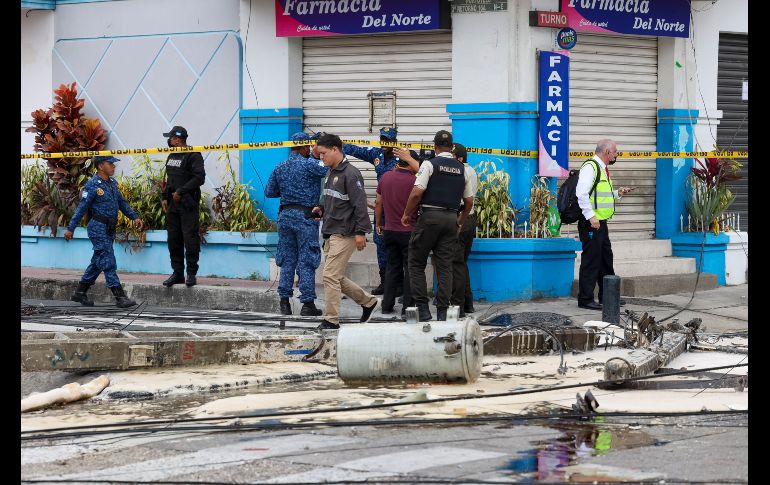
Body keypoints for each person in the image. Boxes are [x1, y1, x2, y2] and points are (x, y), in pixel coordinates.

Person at [402, 130, 474, 322]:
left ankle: (423, 310)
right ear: (451, 148)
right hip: (451, 219)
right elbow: (469, 201)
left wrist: (407, 214)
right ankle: (442, 312)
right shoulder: (462, 169)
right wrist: (460, 221)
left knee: (416, 263)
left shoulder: (429, 164)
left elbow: (417, 193)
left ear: (434, 147)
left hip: (430, 217)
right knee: (445, 266)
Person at [312, 133, 379, 330]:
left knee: (330, 276)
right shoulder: (331, 172)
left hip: (345, 232)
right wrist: (321, 209)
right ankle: (368, 302)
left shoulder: (351, 174)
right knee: (336, 276)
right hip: (331, 231)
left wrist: (361, 232)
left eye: (323, 153)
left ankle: (331, 320)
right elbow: (335, 200)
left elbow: (359, 205)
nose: (321, 158)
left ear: (335, 149)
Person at [342, 127, 419, 295]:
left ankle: (402, 285)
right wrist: (334, 142)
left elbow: (419, 171)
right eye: (382, 140)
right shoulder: (377, 154)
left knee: (401, 248)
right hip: (382, 209)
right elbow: (356, 149)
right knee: (381, 244)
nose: (384, 143)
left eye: (388, 140)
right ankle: (385, 282)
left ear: (395, 141)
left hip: (400, 209)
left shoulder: (404, 156)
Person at [64, 156, 143, 308]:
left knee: (98, 262)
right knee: (108, 261)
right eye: (110, 164)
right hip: (98, 227)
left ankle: (80, 293)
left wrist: (134, 217)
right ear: (101, 166)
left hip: (109, 228)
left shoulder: (112, 183)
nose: (113, 167)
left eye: (113, 164)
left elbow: (122, 203)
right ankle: (119, 297)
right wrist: (70, 228)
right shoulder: (92, 185)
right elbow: (82, 208)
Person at [265, 132, 328, 316]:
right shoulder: (310, 165)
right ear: (303, 147)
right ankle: (307, 304)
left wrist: (288, 190)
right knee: (307, 258)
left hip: (285, 216)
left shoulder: (280, 166)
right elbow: (327, 169)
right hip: (305, 217)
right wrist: (318, 155)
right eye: (308, 147)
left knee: (287, 259)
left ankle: (284, 302)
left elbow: (270, 192)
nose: (310, 150)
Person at [576, 138, 633, 310]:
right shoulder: (590, 167)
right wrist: (590, 216)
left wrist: (618, 193)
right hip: (592, 223)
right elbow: (581, 193)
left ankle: (607, 296)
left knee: (605, 259)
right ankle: (585, 299)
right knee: (591, 261)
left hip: (601, 223)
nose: (616, 155)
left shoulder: (603, 169)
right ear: (607, 152)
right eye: (615, 152)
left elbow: (601, 195)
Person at [160, 126, 206, 288]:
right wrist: (165, 197)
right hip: (173, 204)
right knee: (174, 239)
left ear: (178, 139)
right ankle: (177, 273)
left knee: (190, 238)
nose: (169, 141)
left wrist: (181, 191)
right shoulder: (172, 155)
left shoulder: (194, 155)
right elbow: (169, 179)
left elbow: (199, 178)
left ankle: (191, 274)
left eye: (171, 138)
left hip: (187, 203)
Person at [375, 157, 417, 316]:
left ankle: (387, 305)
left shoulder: (385, 177)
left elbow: (379, 202)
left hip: (390, 230)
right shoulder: (414, 180)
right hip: (408, 231)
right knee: (410, 268)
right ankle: (408, 307)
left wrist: (379, 223)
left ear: (398, 164)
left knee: (392, 267)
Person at [450, 143, 478, 317]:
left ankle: (457, 306)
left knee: (456, 264)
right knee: (462, 263)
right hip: (470, 218)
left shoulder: (461, 172)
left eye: (452, 157)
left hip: (461, 218)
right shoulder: (471, 170)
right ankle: (468, 303)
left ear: (460, 158)